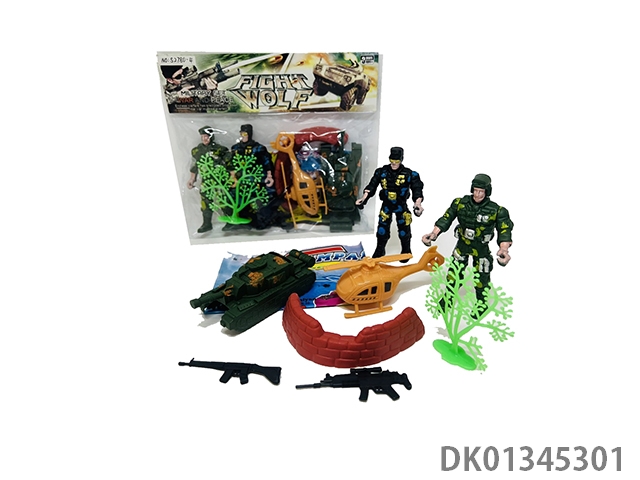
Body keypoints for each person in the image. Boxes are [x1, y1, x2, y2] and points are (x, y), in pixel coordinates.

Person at [422, 173, 514, 301]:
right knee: (453, 273)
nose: (477, 194)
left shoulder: (497, 210)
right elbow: (446, 218)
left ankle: (482, 303)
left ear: (487, 192)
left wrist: (504, 249)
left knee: (482, 276)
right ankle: (448, 298)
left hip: (480, 247)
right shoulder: (460, 203)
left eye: (481, 191)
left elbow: (504, 230)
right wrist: (433, 233)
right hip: (462, 244)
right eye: (475, 190)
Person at [356, 147, 424, 259]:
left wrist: (418, 203)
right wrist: (364, 198)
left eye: (396, 161)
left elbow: (417, 189)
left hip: (401, 205)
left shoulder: (409, 174)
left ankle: (406, 250)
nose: (394, 164)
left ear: (401, 160)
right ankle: (380, 249)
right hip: (387, 205)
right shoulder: (382, 172)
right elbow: (372, 186)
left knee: (404, 229)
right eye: (392, 161)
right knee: (382, 229)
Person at [186, 126, 230, 233]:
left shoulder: (220, 149)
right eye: (202, 136)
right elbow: (194, 166)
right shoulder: (197, 151)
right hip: (206, 180)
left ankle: (230, 221)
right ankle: (206, 223)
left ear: (211, 136)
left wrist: (231, 176)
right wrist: (192, 179)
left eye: (206, 136)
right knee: (205, 202)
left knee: (223, 200)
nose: (204, 139)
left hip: (219, 180)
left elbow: (229, 163)